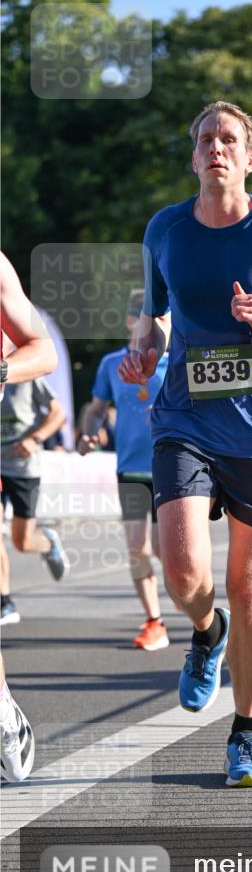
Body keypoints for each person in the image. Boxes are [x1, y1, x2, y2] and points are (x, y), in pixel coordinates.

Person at [118, 100, 252, 787]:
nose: (216, 147)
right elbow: (147, 317)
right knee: (181, 570)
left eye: (228, 139)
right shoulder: (165, 229)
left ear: (250, 156)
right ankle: (205, 633)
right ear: (193, 155)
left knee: (249, 586)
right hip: (183, 414)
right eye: (204, 137)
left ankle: (244, 733)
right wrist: (140, 352)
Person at [78, 290, 171, 649]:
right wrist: (89, 432)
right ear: (131, 321)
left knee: (169, 552)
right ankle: (154, 622)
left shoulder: (176, 360)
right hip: (131, 469)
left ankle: (202, 617)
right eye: (142, 317)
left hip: (172, 468)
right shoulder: (111, 364)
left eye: (157, 318)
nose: (148, 324)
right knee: (137, 549)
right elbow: (97, 408)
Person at [0, 250, 58, 783]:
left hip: (19, 456)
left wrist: (1, 367)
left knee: (20, 539)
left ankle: (0, 709)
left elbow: (42, 351)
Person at [1, 379, 69, 622]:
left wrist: (36, 438)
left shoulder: (27, 376)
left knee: (22, 541)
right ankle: (4, 603)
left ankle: (47, 543)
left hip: (23, 467)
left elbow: (58, 413)